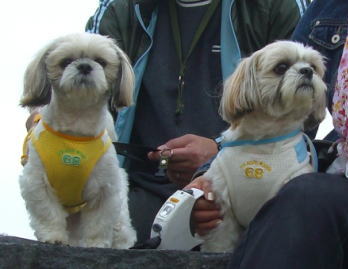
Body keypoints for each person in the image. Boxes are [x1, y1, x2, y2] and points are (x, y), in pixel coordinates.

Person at [85, 0, 309, 244]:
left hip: (247, 188)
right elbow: (78, 96)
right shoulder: (121, 8)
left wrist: (220, 153)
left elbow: (307, 106)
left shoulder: (279, 7)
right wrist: (45, 124)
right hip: (137, 186)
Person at [188, 0, 348, 267]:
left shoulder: (302, 171)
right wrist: (203, 178)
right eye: (282, 68)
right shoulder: (327, 7)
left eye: (314, 68)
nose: (305, 72)